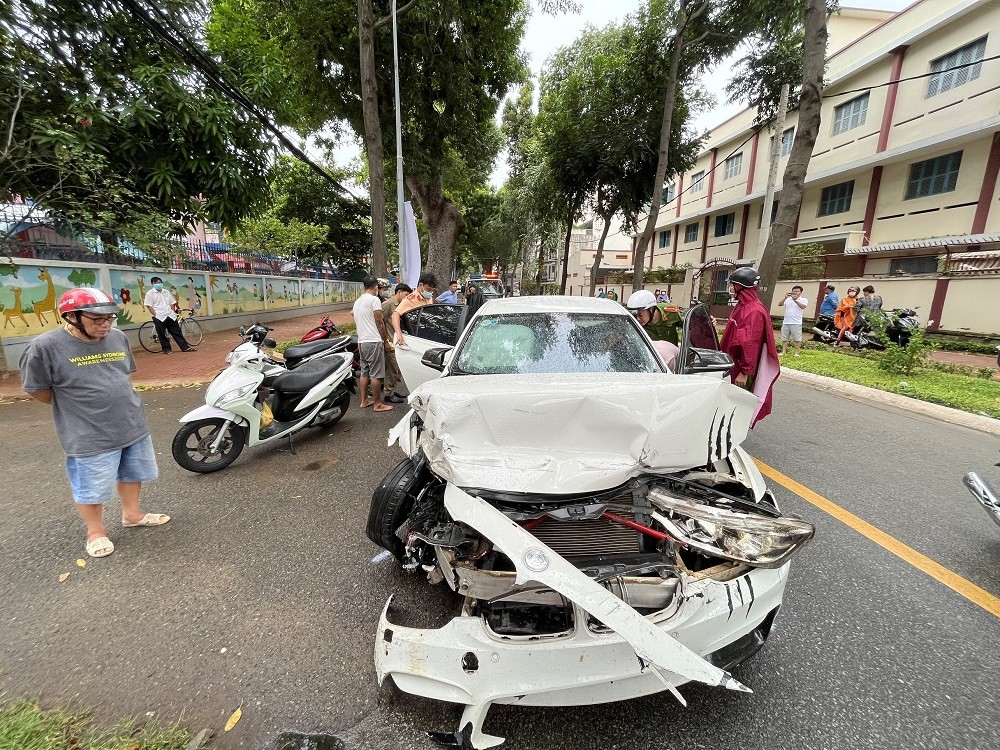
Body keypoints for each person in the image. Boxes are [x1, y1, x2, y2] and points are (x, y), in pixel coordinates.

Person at [19, 289, 169, 559]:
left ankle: (133, 514)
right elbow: (37, 389)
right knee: (90, 484)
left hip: (131, 421)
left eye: (109, 319)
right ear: (72, 316)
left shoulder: (117, 337)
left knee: (133, 471)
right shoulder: (45, 346)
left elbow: (123, 374)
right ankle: (96, 531)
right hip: (87, 432)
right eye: (96, 319)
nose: (105, 325)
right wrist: (74, 406)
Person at [719, 267, 780, 427]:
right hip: (732, 363)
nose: (730, 288)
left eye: (732, 285)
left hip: (741, 369)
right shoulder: (742, 306)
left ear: (739, 286)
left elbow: (750, 344)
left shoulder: (753, 311)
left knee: (738, 406)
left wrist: (745, 372)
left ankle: (732, 436)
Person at [352, 275, 394, 412]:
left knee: (364, 372)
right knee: (376, 373)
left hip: (362, 341)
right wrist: (385, 340)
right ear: (376, 287)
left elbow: (354, 314)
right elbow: (379, 322)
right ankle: (378, 404)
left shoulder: (358, 301)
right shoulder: (374, 300)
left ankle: (364, 400)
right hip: (373, 341)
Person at [144, 276, 196, 353]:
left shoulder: (166, 292)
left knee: (177, 332)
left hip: (170, 315)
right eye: (155, 283)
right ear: (152, 284)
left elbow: (172, 303)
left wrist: (172, 312)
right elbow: (149, 305)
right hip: (159, 316)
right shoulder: (150, 294)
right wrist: (155, 314)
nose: (158, 284)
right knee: (162, 334)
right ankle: (166, 349)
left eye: (159, 282)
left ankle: (185, 347)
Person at [381, 283, 412, 403]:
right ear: (399, 292)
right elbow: (379, 322)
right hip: (390, 341)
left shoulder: (400, 305)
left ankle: (392, 390)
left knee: (398, 369)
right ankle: (388, 394)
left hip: (398, 341)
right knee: (393, 369)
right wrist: (385, 341)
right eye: (405, 294)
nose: (406, 297)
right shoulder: (388, 304)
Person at [392, 272, 438, 348]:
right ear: (421, 285)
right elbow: (395, 315)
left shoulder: (429, 298)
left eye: (432, 290)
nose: (430, 292)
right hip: (414, 336)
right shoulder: (410, 299)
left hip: (427, 336)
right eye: (428, 289)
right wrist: (399, 334)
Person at [780, 285, 808, 357]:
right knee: (785, 338)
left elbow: (803, 307)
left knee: (797, 338)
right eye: (793, 291)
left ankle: (796, 352)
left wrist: (795, 300)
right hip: (786, 322)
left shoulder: (804, 300)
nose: (795, 293)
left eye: (797, 291)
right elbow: (780, 304)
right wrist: (785, 297)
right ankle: (783, 351)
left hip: (796, 322)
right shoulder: (788, 299)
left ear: (800, 292)